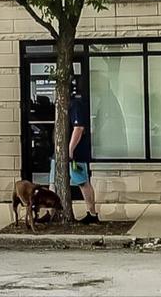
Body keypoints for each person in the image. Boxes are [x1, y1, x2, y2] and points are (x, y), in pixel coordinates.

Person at [68, 93, 100, 223]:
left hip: (76, 153)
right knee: (54, 182)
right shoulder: (65, 105)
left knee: (82, 182)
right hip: (60, 152)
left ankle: (92, 214)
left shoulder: (75, 104)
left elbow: (79, 128)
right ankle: (51, 212)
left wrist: (70, 150)